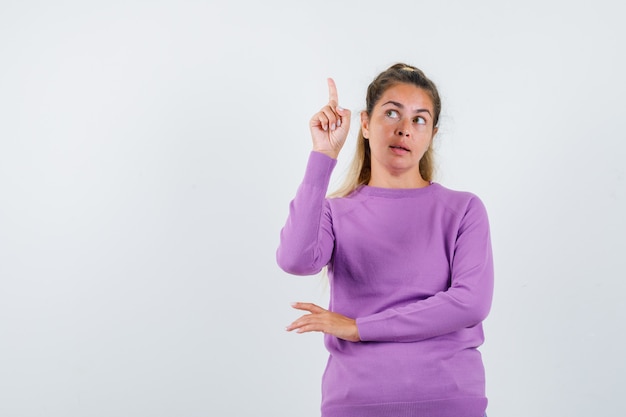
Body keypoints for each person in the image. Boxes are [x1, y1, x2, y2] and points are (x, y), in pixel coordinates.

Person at [276, 63, 494, 417]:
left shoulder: (463, 209)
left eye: (419, 119)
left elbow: (470, 303)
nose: (404, 129)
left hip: (449, 403)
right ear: (364, 123)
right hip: (356, 403)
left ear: (432, 134)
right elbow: (295, 260)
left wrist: (358, 327)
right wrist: (323, 156)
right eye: (391, 113)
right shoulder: (335, 213)